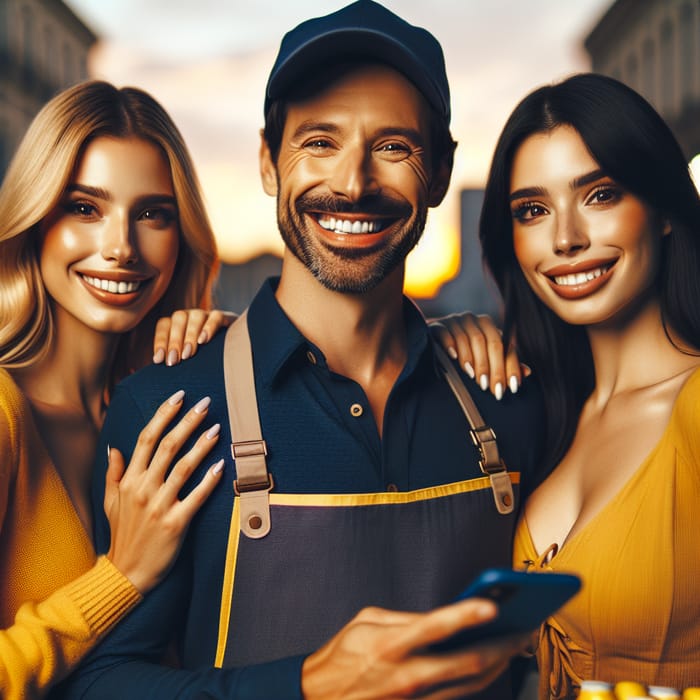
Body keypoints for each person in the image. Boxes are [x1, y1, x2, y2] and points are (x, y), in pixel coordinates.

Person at [67, 2, 545, 699]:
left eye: (393, 147)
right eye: (319, 142)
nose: (352, 183)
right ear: (268, 161)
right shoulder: (167, 413)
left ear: (440, 173)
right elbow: (100, 686)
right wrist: (310, 683)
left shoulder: (508, 395)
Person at [438, 73, 700, 698]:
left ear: (662, 209)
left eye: (601, 194)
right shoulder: (542, 411)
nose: (565, 239)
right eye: (533, 210)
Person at [0, 80, 230, 698]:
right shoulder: (3, 412)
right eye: (84, 207)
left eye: (153, 214)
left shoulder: (154, 412)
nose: (121, 248)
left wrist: (236, 348)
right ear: (35, 218)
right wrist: (119, 578)